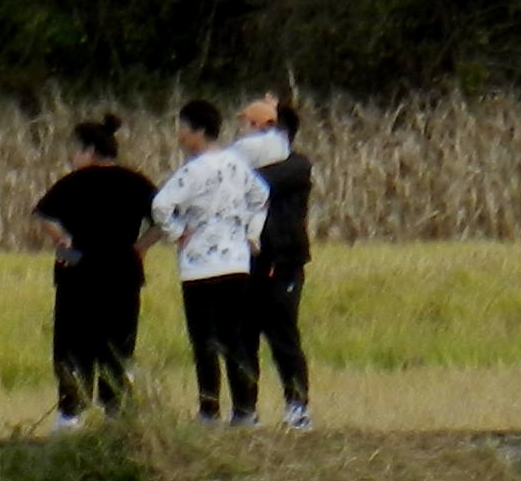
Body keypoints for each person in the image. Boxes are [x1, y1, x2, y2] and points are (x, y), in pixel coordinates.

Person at [29, 117, 155, 427]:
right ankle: (116, 412)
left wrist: (61, 238)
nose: (72, 157)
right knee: (117, 345)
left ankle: (71, 413)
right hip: (122, 273)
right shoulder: (136, 182)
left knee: (73, 345)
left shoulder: (72, 183)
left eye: (75, 150)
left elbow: (42, 215)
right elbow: (164, 221)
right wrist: (140, 247)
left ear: (89, 150)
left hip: (77, 273)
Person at [150, 100, 270, 424]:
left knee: (204, 340)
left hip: (199, 265)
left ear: (199, 131)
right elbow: (261, 197)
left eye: (183, 128)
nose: (179, 135)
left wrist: (177, 234)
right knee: (235, 338)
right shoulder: (236, 164)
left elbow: (160, 206)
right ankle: (245, 411)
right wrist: (250, 233)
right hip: (235, 262)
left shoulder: (191, 171)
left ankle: (209, 410)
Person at [228, 90, 315, 432]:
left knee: (283, 336)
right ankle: (245, 410)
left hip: (284, 261)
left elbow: (252, 185)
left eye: (252, 126)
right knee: (243, 337)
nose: (244, 133)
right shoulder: (241, 163)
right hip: (245, 262)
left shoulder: (296, 166)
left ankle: (297, 408)